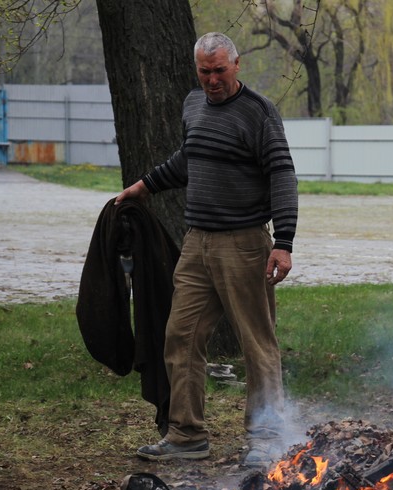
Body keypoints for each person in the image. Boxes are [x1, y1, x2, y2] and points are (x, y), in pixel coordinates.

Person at [114, 32, 298, 467]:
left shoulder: (259, 113)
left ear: (236, 65)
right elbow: (187, 159)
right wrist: (143, 187)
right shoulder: (193, 104)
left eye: (219, 70)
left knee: (257, 343)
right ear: (196, 69)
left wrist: (284, 243)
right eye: (204, 71)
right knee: (180, 336)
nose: (212, 79)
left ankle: (267, 437)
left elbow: (282, 176)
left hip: (246, 243)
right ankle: (186, 434)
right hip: (197, 243)